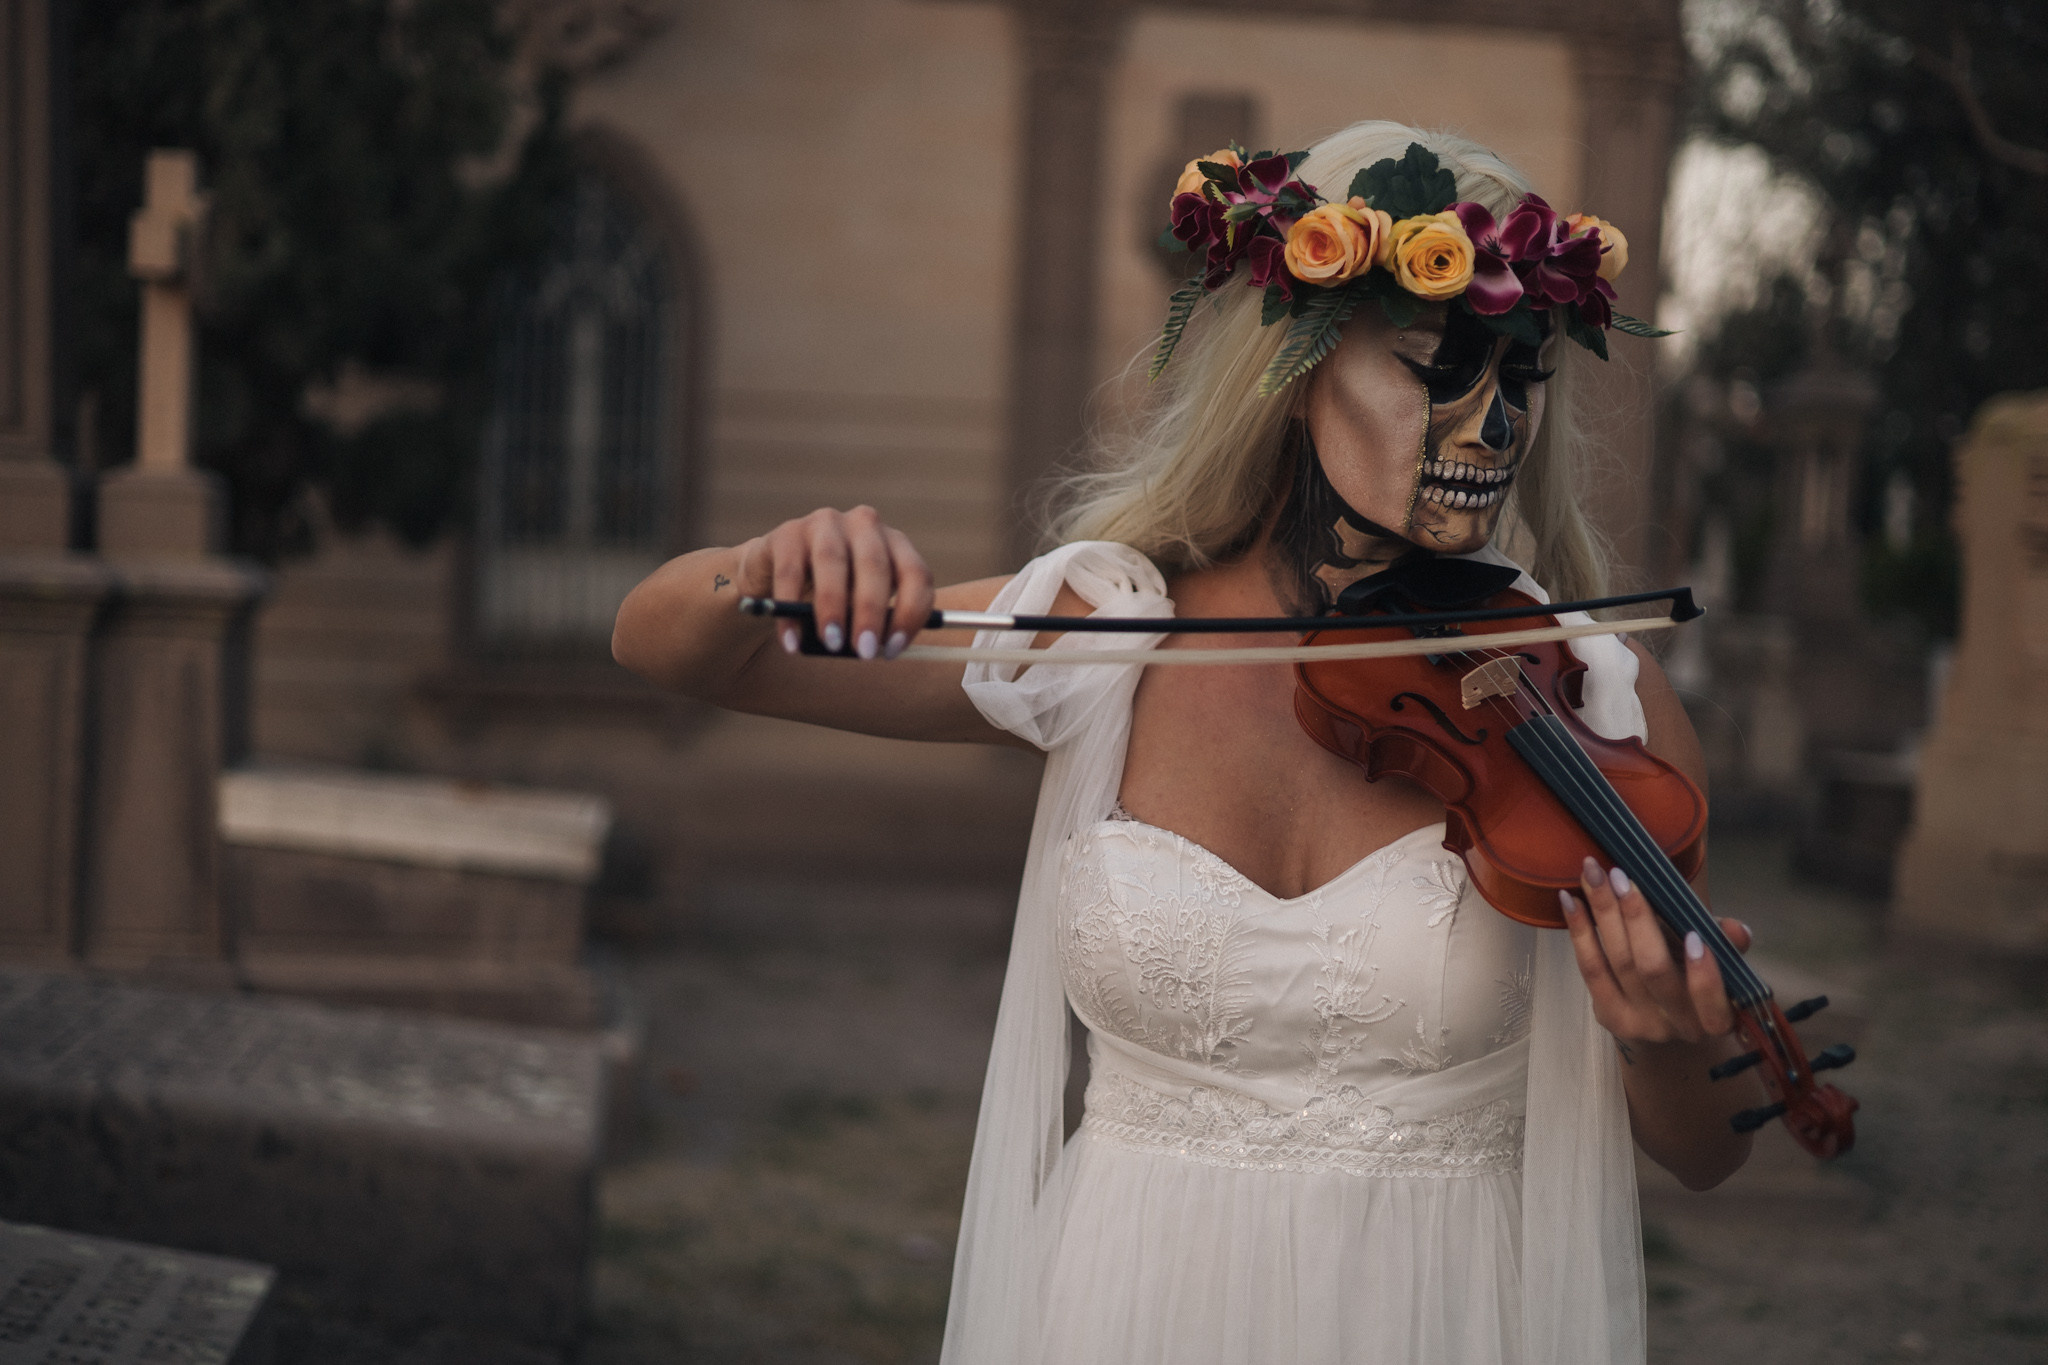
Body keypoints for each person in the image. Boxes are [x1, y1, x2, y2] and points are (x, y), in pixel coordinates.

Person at [612, 120, 1765, 1365]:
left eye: (1520, 378)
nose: (1489, 425)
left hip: (1434, 1315)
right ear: (1295, 368)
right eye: (1429, 362)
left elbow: (1707, 1151)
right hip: (1119, 1307)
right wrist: (760, 572)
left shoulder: (1594, 702)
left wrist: (1669, 1038)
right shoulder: (1113, 631)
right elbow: (673, 650)